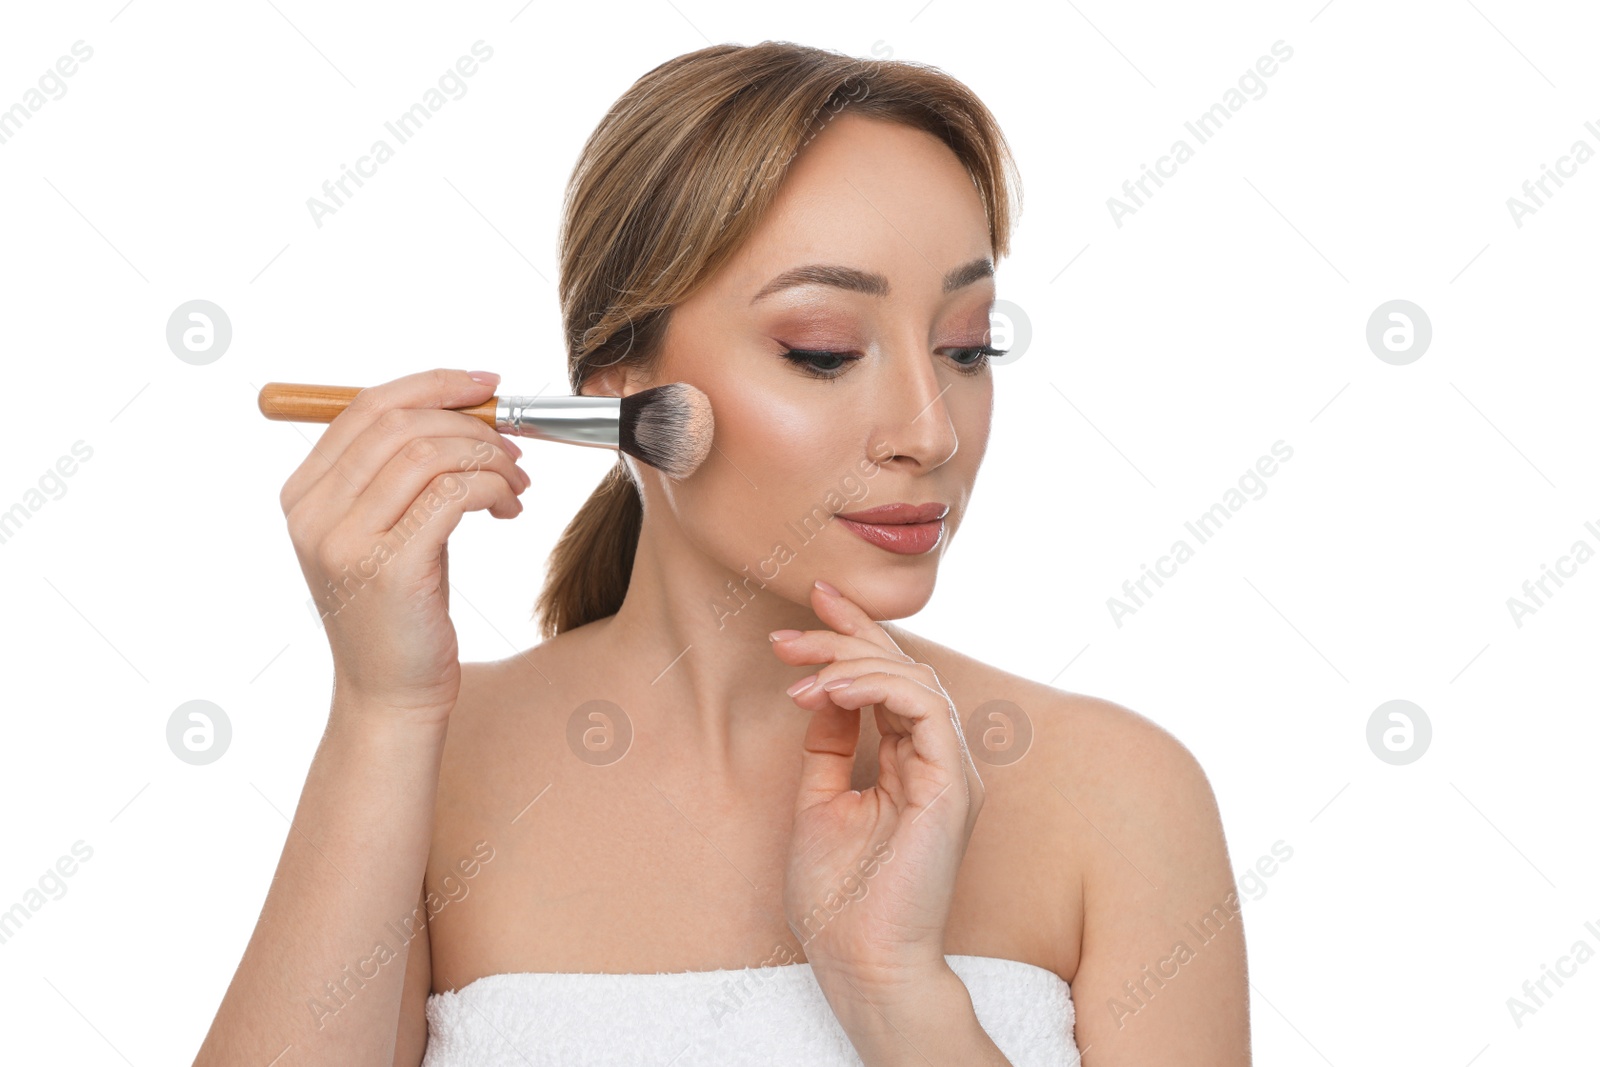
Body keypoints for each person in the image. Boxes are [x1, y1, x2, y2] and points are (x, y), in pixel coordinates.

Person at [194, 40, 1249, 1066]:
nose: (929, 431)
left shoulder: (1117, 796)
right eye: (824, 352)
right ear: (615, 382)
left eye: (967, 347)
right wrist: (381, 711)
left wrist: (897, 996)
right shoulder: (432, 766)